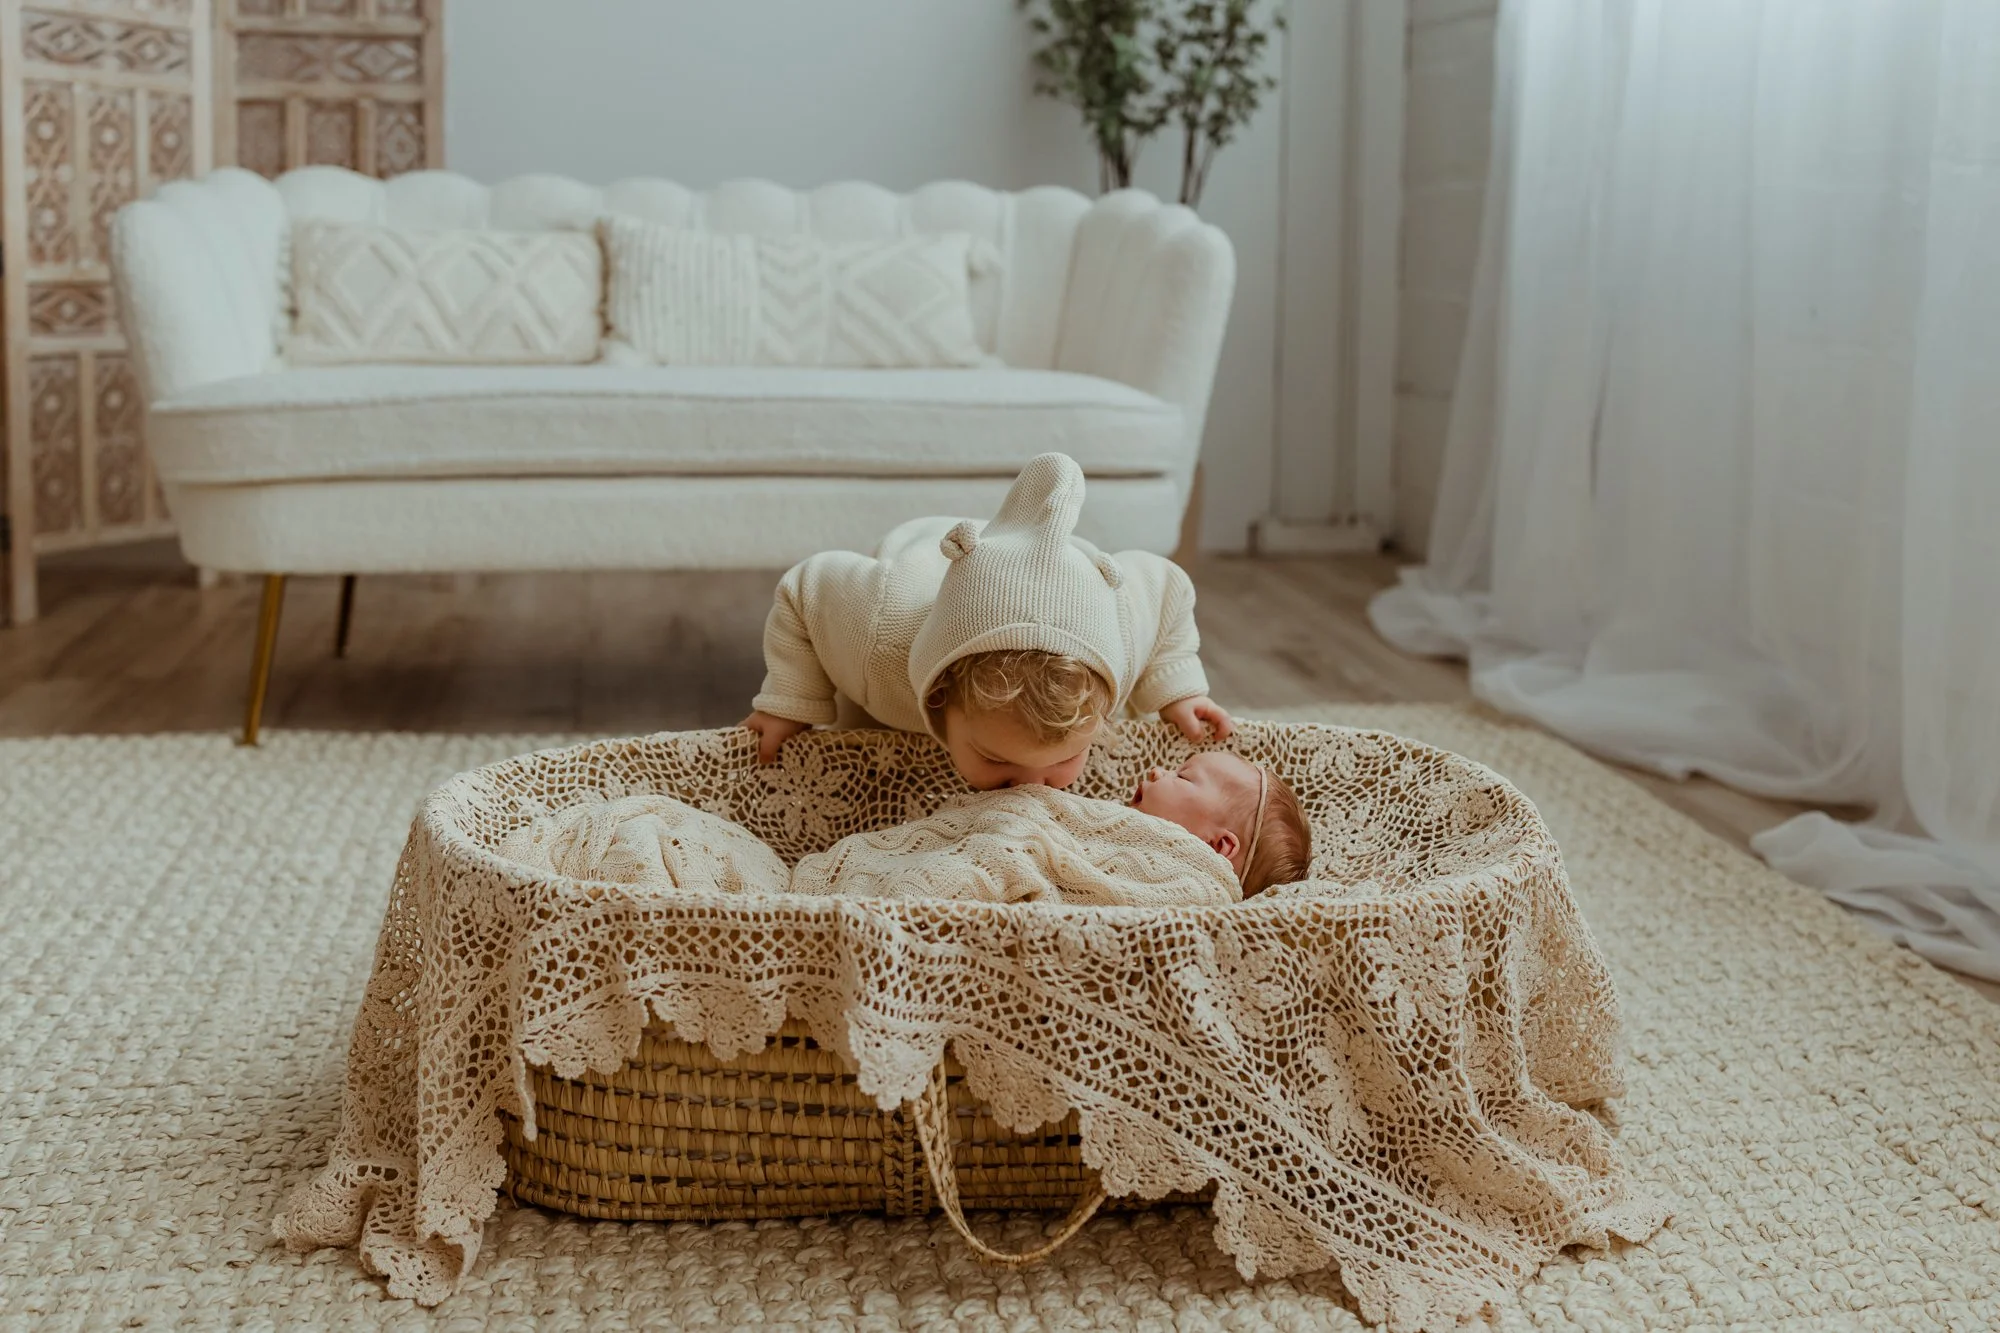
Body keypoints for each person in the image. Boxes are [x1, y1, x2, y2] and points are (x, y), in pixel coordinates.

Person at [743, 452, 1232, 790]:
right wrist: (791, 700)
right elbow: (806, 588)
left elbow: (1167, 588)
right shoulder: (875, 632)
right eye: (997, 759)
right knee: (862, 732)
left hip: (1068, 578)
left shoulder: (1124, 626)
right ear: (939, 697)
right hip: (929, 560)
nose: (1029, 788)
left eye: (1064, 760)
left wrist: (1179, 688)